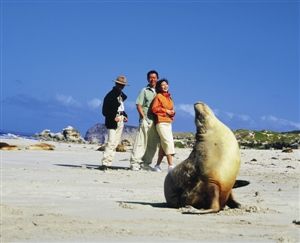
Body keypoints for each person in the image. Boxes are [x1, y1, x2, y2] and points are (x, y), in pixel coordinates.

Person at [129, 70, 160, 170]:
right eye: (150, 77)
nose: (152, 79)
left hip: (156, 121)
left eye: (154, 77)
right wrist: (143, 117)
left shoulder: (160, 91)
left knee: (152, 144)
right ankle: (134, 163)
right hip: (146, 119)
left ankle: (146, 164)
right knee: (141, 142)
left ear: (157, 79)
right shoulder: (144, 90)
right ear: (148, 79)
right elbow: (138, 104)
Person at [101, 75, 129, 168]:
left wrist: (124, 116)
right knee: (111, 141)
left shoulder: (120, 95)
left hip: (120, 119)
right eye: (120, 84)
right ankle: (105, 162)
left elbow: (121, 108)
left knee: (115, 143)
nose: (121, 86)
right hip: (112, 121)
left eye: (123, 85)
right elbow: (105, 111)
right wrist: (113, 117)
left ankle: (109, 163)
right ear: (116, 84)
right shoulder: (110, 95)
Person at [151, 78, 175, 172]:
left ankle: (157, 166)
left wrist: (172, 112)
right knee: (168, 142)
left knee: (163, 145)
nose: (165, 86)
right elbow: (154, 109)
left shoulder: (169, 97)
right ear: (159, 87)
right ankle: (171, 166)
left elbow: (171, 110)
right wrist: (166, 111)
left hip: (168, 122)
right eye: (162, 85)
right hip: (161, 122)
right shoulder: (158, 96)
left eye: (166, 84)